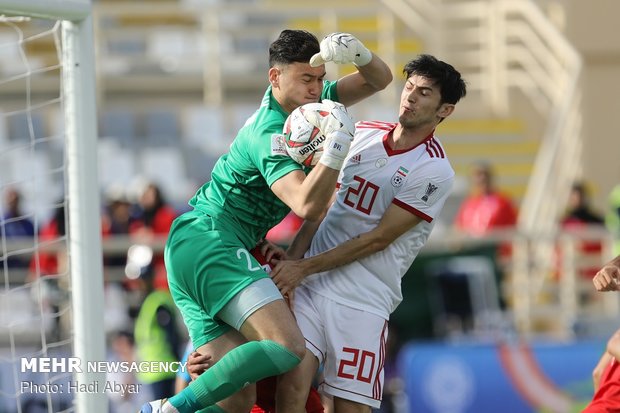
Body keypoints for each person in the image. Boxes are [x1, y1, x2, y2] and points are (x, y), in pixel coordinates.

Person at [140, 29, 392, 413]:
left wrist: (359, 53)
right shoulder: (269, 132)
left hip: (201, 244)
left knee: (237, 401)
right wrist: (336, 150)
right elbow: (307, 205)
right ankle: (172, 408)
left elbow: (380, 79)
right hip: (212, 240)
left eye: (320, 79)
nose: (316, 87)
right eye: (306, 78)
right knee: (287, 346)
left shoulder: (310, 108)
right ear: (275, 78)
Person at [267, 54, 466, 412]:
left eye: (424, 93)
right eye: (409, 88)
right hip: (312, 287)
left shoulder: (435, 170)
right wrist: (294, 263)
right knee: (291, 386)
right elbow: (320, 203)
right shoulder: (361, 133)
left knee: (347, 408)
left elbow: (379, 239)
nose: (410, 97)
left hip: (363, 299)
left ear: (444, 110)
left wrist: (301, 269)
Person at [1, 186, 35, 268]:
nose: (13, 204)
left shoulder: (28, 224)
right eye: (10, 201)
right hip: (5, 271)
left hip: (25, 269)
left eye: (15, 201)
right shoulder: (1, 224)